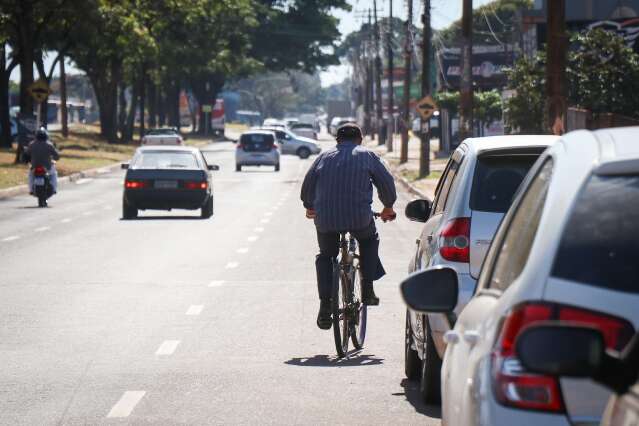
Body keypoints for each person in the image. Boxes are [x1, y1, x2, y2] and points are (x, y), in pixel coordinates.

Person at [300, 123, 397, 330]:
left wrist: (310, 206)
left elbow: (308, 185)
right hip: (359, 218)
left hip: (326, 219)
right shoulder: (367, 155)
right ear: (360, 139)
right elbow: (386, 182)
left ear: (337, 140)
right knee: (370, 239)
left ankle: (325, 306)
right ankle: (368, 290)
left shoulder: (324, 157)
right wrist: (388, 206)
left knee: (326, 256)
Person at [26, 128, 60, 194]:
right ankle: (54, 189)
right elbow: (56, 156)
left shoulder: (31, 144)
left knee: (31, 176)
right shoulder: (49, 145)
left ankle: (31, 190)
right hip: (47, 167)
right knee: (54, 174)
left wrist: (28, 160)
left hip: (34, 167)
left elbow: (26, 154)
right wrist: (55, 158)